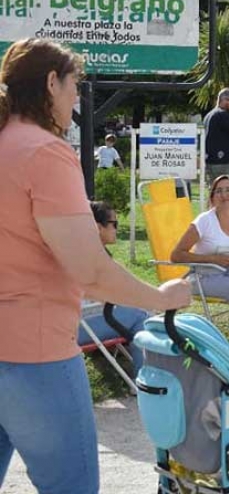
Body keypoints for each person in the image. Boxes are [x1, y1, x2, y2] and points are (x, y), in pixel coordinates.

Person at [0, 38, 191, 494]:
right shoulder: (44, 153)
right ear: (51, 83)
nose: (74, 99)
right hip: (36, 356)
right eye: (73, 86)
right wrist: (161, 297)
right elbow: (92, 271)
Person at [170, 175, 229, 339]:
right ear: (213, 197)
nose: (224, 195)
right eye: (218, 191)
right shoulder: (205, 221)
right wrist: (213, 258)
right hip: (202, 278)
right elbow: (176, 255)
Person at [78, 201, 150, 371]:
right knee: (141, 316)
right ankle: (144, 382)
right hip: (78, 326)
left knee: (142, 311)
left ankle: (145, 378)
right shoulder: (91, 258)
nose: (117, 228)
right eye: (114, 224)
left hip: (79, 321)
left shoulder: (83, 252)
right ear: (98, 227)